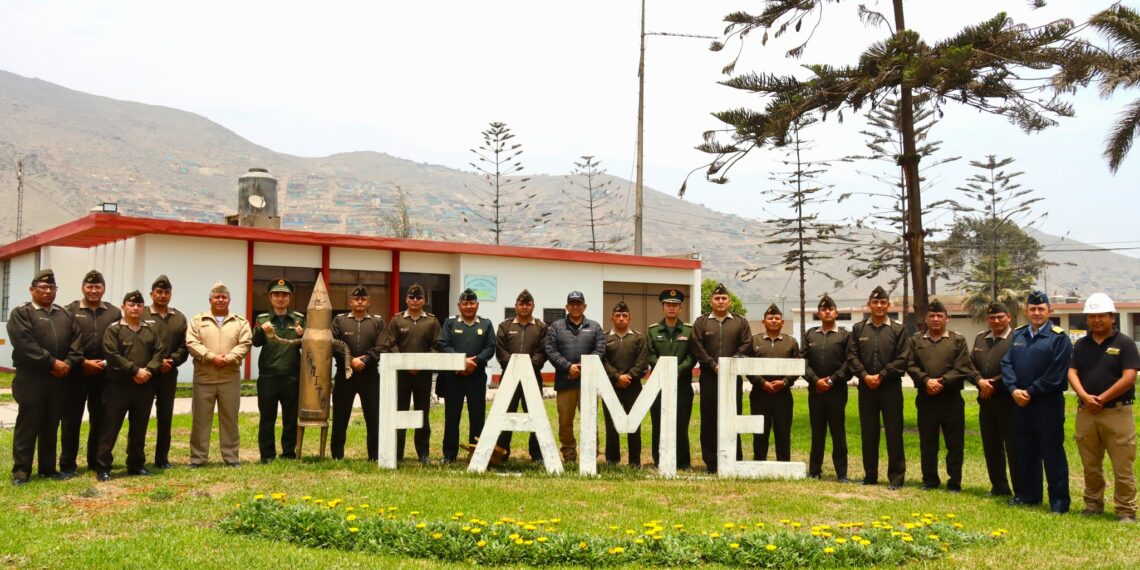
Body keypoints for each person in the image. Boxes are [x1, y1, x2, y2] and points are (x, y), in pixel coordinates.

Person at [1067, 293, 1137, 522]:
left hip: (1117, 412)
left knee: (1122, 466)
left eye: (1102, 315)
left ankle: (1126, 510)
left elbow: (1129, 377)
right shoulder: (1081, 345)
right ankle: (1093, 505)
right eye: (1092, 316)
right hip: (1086, 413)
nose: (1097, 320)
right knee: (1090, 464)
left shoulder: (1125, 343)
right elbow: (1072, 372)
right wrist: (1085, 396)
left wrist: (1102, 398)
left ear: (1112, 317)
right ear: (1087, 319)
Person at [1002, 290, 1073, 513]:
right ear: (1026, 311)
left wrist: (1030, 391)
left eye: (1041, 309)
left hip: (1047, 405)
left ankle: (1059, 502)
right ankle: (1028, 495)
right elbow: (1006, 364)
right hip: (1020, 404)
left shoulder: (1059, 338)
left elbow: (1056, 373)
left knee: (1052, 452)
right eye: (1032, 309)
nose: (1036, 313)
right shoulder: (1018, 335)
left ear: (1050, 311)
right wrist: (1013, 389)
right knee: (1025, 449)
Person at [7, 269, 81, 484]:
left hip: (59, 379)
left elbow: (77, 341)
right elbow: (24, 343)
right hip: (32, 378)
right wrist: (52, 362)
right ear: (32, 290)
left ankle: (48, 469)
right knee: (28, 425)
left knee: (51, 423)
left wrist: (68, 363)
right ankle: (21, 471)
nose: (48, 292)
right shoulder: (22, 313)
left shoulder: (64, 314)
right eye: (43, 288)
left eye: (52, 288)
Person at [95, 291, 165, 481]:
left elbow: (159, 352)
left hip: (144, 386)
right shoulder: (114, 329)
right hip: (118, 387)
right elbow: (112, 355)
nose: (135, 308)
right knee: (110, 428)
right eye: (131, 305)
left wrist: (149, 371)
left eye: (139, 305)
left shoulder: (150, 329)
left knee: (139, 428)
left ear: (143, 308)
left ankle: (136, 464)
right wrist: (135, 371)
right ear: (123, 307)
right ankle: (103, 466)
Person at [906, 299, 972, 492]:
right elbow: (910, 365)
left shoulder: (957, 340)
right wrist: (926, 381)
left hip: (951, 399)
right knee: (928, 443)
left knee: (955, 444)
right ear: (926, 319)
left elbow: (962, 368)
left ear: (947, 318)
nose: (936, 319)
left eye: (939, 316)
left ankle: (954, 483)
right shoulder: (916, 340)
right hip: (926, 399)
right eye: (932, 316)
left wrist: (941, 382)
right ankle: (930, 480)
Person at [60, 269, 121, 476]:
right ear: (83, 288)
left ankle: (96, 461)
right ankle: (68, 464)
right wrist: (82, 362)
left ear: (103, 289)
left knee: (100, 421)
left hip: (103, 375)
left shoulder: (113, 313)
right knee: (71, 420)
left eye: (98, 286)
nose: (93, 290)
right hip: (76, 375)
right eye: (90, 286)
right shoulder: (69, 310)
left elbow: (118, 342)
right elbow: (65, 341)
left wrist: (104, 363)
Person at [847, 285, 909, 488]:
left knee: (894, 433)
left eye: (883, 302)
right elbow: (852, 356)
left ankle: (896, 478)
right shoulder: (858, 329)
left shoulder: (898, 329)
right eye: (875, 302)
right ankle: (870, 476)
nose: (879, 306)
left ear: (888, 305)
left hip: (890, 388)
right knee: (869, 433)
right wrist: (865, 376)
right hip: (866, 389)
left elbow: (902, 358)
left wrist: (881, 375)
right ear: (869, 305)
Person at [185, 281, 252, 468]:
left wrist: (228, 358)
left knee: (230, 419)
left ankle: (231, 458)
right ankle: (198, 459)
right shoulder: (198, 321)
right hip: (204, 378)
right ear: (210, 300)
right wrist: (212, 357)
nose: (220, 300)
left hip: (229, 378)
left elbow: (245, 343)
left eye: (224, 297)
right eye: (217, 297)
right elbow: (191, 342)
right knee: (200, 420)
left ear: (229, 300)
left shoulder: (240, 322)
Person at [690, 283, 751, 474]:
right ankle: (711, 463)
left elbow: (747, 344)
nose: (721, 301)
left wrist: (729, 365)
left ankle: (734, 458)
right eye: (717, 298)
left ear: (729, 301)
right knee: (709, 419)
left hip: (733, 378)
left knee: (733, 417)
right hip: (709, 377)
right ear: (711, 302)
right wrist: (713, 365)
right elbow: (697, 346)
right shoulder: (701, 322)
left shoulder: (740, 322)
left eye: (724, 298)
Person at [544, 291, 606, 463]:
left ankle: (591, 454)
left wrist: (582, 367)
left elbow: (600, 349)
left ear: (585, 306)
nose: (576, 307)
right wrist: (568, 366)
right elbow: (550, 350)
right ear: (567, 307)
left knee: (590, 420)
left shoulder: (595, 327)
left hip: (588, 383)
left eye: (579, 304)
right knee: (565, 422)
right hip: (565, 382)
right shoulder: (556, 327)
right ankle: (569, 455)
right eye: (572, 304)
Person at [436, 288, 496, 463]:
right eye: (465, 303)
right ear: (459, 305)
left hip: (476, 377)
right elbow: (443, 344)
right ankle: (449, 455)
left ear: (477, 305)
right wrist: (460, 362)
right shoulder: (450, 323)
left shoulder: (486, 324)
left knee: (477, 416)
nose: (468, 306)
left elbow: (490, 347)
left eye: (471, 303)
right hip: (453, 378)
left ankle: (476, 454)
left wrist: (474, 362)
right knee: (452, 417)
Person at [384, 283, 441, 463]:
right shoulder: (397, 320)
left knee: (422, 413)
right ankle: (397, 453)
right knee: (399, 412)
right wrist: (405, 364)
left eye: (418, 297)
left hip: (423, 374)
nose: (415, 300)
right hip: (401, 374)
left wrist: (420, 364)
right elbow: (391, 344)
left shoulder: (432, 321)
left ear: (424, 300)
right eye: (411, 297)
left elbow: (437, 346)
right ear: (406, 299)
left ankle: (423, 454)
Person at [330, 284, 387, 461]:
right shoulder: (339, 321)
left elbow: (383, 346)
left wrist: (366, 360)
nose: (360, 302)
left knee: (373, 417)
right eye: (356, 299)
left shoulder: (378, 322)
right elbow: (333, 345)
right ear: (350, 302)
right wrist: (351, 360)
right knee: (340, 416)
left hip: (370, 376)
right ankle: (337, 455)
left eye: (363, 299)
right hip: (345, 375)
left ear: (369, 302)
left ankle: (374, 456)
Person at [251, 278, 305, 463]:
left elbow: (309, 346)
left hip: (291, 376)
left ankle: (288, 453)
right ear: (270, 297)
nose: (280, 298)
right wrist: (261, 331)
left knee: (290, 418)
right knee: (267, 418)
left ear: (290, 298)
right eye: (276, 295)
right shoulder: (262, 319)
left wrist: (303, 334)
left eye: (284, 295)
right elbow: (256, 343)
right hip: (268, 376)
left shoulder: (299, 319)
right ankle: (267, 455)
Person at [969, 302, 1019, 497]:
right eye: (992, 317)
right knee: (991, 446)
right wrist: (980, 381)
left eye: (1000, 317)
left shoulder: (1017, 338)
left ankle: (1019, 489)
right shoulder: (981, 338)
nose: (996, 321)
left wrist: (992, 384)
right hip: (986, 401)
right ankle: (999, 487)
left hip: (1008, 401)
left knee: (1013, 447)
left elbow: (1017, 367)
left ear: (1009, 317)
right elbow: (970, 365)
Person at [494, 289, 548, 462]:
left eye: (528, 304)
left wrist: (527, 367)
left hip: (533, 377)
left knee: (535, 415)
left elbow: (543, 351)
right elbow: (500, 350)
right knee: (505, 413)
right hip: (509, 378)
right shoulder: (505, 326)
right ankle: (502, 452)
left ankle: (537, 454)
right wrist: (514, 367)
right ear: (516, 306)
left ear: (533, 306)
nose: (524, 307)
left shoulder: (541, 327)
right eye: (521, 304)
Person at [802, 294, 851, 481]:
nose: (827, 312)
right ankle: (815, 471)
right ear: (819, 313)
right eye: (824, 309)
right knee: (817, 431)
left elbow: (849, 362)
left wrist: (831, 380)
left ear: (836, 313)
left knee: (838, 432)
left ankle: (842, 473)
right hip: (815, 391)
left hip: (837, 391)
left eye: (831, 309)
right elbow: (803, 361)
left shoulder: (845, 335)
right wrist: (816, 380)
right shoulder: (810, 335)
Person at [142, 274, 188, 470]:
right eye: (159, 292)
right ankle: (136, 458)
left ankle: (162, 458)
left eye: (166, 292)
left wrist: (173, 361)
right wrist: (155, 363)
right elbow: (136, 343)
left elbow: (184, 346)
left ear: (171, 294)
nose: (162, 295)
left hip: (168, 373)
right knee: (140, 416)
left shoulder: (178, 318)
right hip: (145, 373)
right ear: (151, 294)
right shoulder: (141, 314)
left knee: (165, 416)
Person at [648, 288, 696, 470]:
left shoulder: (688, 331)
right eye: (668, 304)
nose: (671, 308)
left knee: (681, 423)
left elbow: (693, 356)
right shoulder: (653, 331)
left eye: (675, 305)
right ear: (663, 307)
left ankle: (683, 462)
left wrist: (678, 370)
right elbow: (649, 354)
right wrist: (664, 370)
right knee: (658, 423)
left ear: (680, 308)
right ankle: (658, 460)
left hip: (681, 384)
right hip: (658, 385)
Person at [748, 303, 800, 462]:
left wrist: (784, 382)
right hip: (759, 394)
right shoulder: (753, 341)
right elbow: (747, 366)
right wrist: (761, 382)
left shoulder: (791, 342)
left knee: (783, 431)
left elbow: (798, 367)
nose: (774, 321)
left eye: (777, 318)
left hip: (783, 395)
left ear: (782, 322)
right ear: (763, 321)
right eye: (770, 318)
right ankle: (759, 463)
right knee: (760, 431)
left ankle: (783, 464)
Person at [601, 301, 649, 467]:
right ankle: (612, 461)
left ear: (630, 318)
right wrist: (616, 377)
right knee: (611, 425)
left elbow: (643, 362)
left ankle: (634, 462)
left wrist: (629, 377)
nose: (621, 318)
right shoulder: (604, 338)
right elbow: (603, 361)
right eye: (618, 315)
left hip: (633, 387)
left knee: (634, 424)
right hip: (611, 387)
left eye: (624, 315)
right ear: (612, 318)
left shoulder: (638, 338)